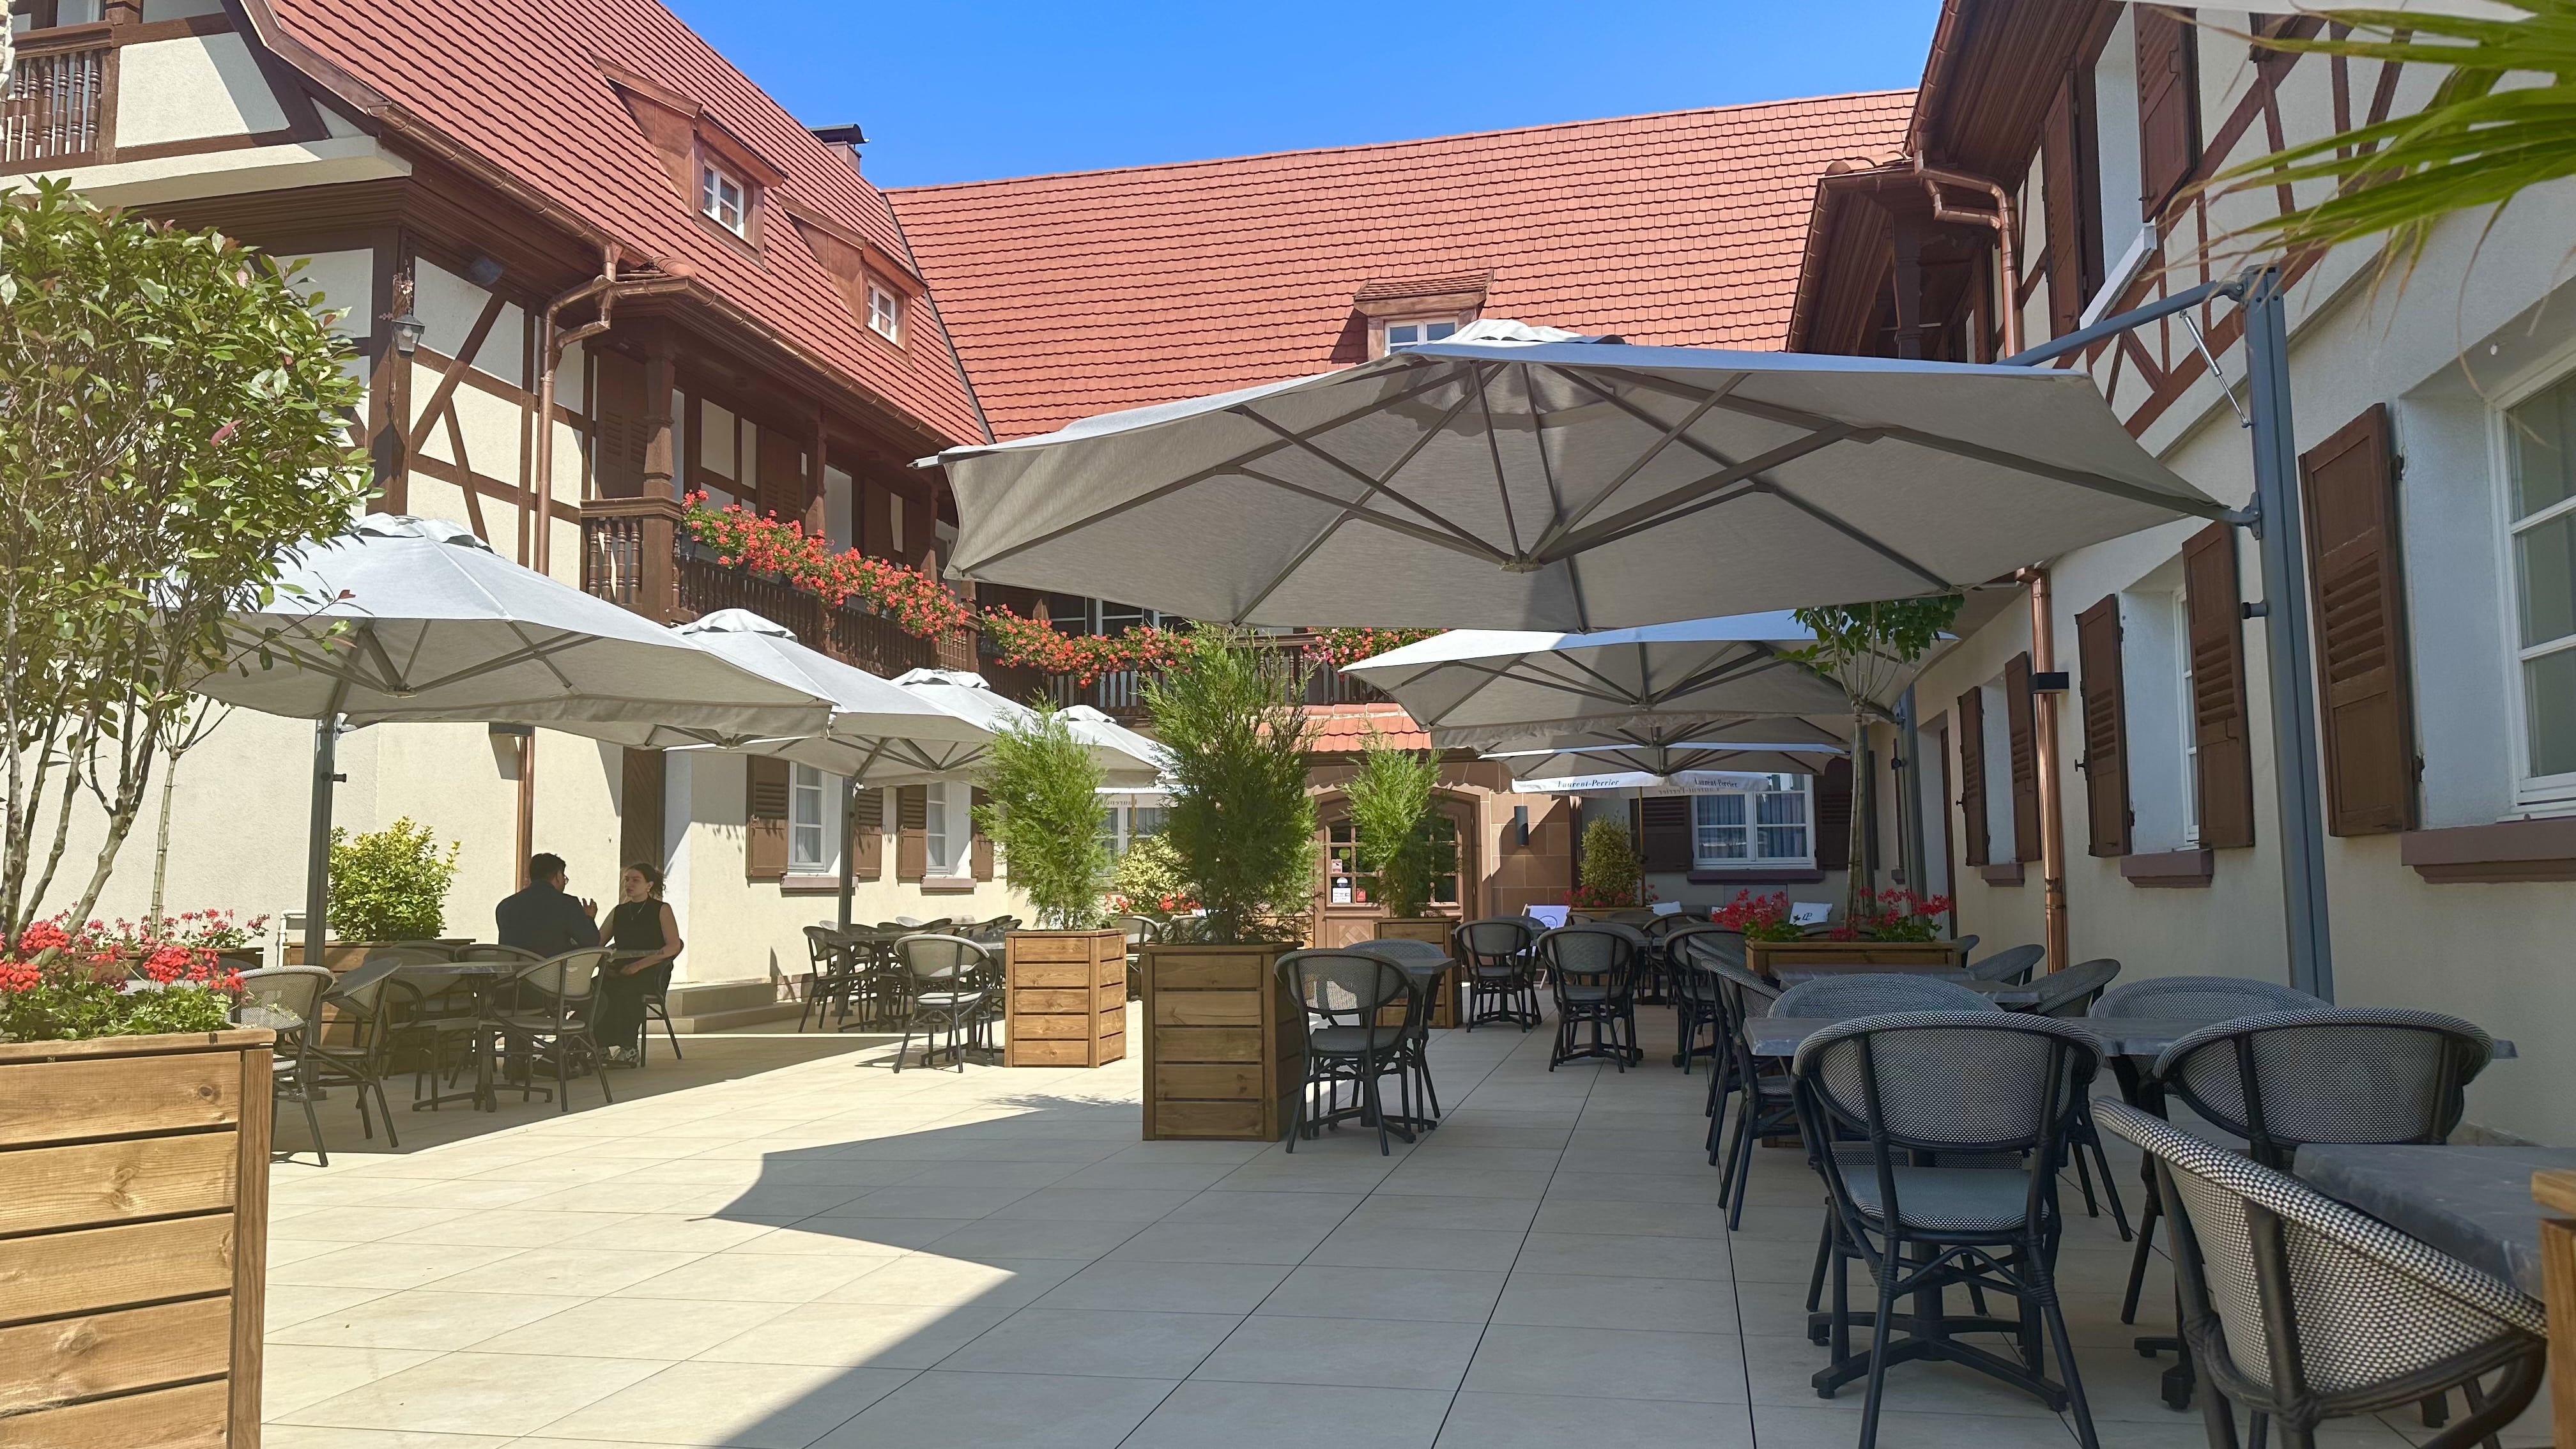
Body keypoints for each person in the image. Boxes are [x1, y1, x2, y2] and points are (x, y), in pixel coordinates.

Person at [594, 862, 682, 1066]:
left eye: (636, 880)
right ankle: (599, 1046)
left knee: (628, 992)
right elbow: (598, 942)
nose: (629, 884)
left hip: (651, 970)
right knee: (598, 989)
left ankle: (628, 1048)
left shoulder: (661, 909)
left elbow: (673, 946)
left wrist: (639, 966)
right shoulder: (619, 911)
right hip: (620, 968)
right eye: (627, 880)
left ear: (649, 885)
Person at [496, 853, 600, 956]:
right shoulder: (567, 904)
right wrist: (589, 918)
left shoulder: (505, 907)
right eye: (564, 877)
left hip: (516, 972)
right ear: (559, 876)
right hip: (553, 972)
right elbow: (591, 942)